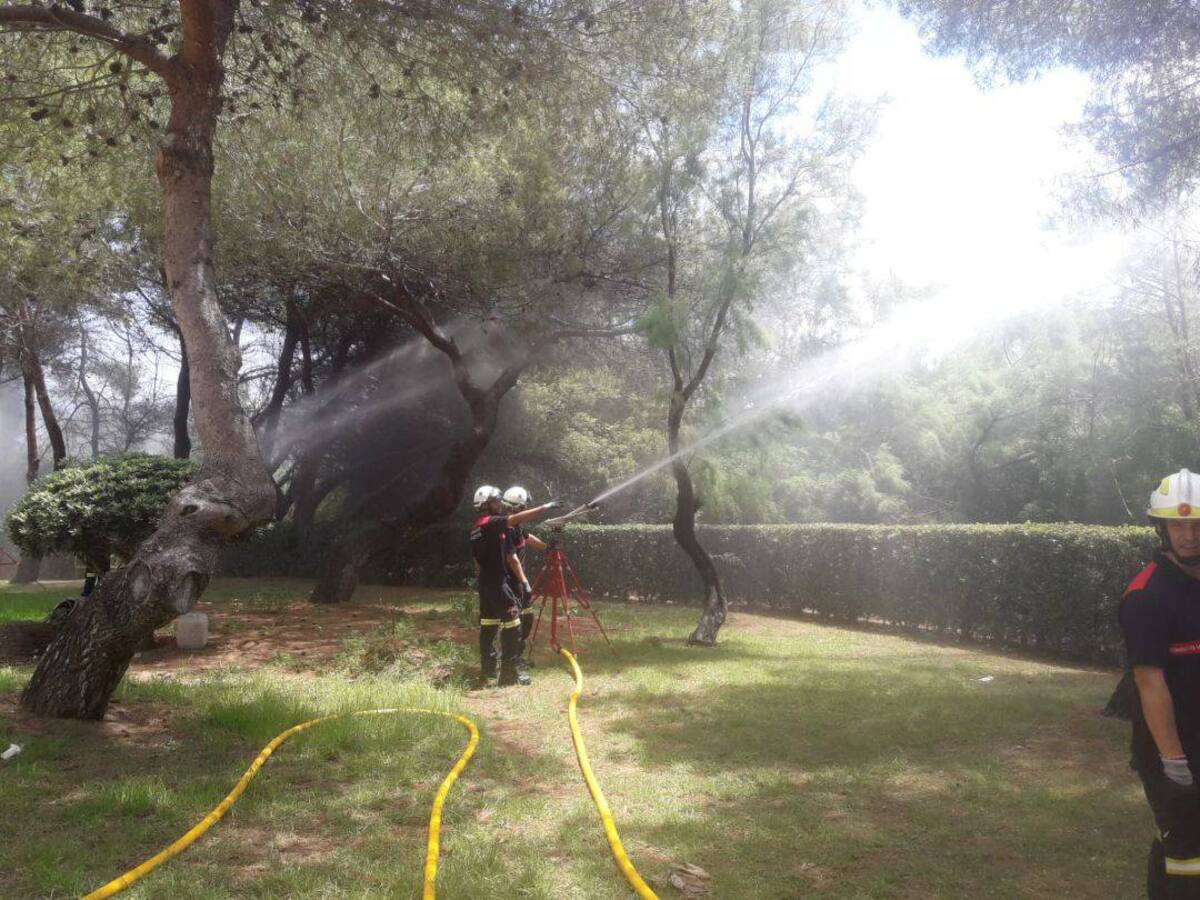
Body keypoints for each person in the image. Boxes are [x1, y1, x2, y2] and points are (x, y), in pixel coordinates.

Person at [1119, 468, 1200, 898]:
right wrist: (1174, 762)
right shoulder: (1146, 596)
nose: (1189, 535)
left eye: (1197, 525)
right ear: (1162, 529)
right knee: (1186, 854)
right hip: (1173, 748)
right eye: (1178, 525)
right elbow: (1150, 682)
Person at [470, 485, 559, 686]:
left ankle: (488, 673)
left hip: (485, 584)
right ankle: (508, 677)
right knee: (513, 627)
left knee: (489, 627)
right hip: (497, 584)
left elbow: (477, 561)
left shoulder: (476, 527)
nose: (499, 504)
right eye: (495, 501)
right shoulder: (489, 523)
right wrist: (545, 507)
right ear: (485, 505)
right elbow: (515, 521)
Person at [501, 485, 549, 666]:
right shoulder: (507, 528)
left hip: (518, 583)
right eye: (525, 507)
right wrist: (525, 582)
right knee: (516, 622)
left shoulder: (517, 527)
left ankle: (517, 656)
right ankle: (511, 660)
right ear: (518, 507)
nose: (527, 510)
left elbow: (528, 538)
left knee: (527, 617)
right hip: (511, 582)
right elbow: (512, 559)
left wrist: (547, 547)